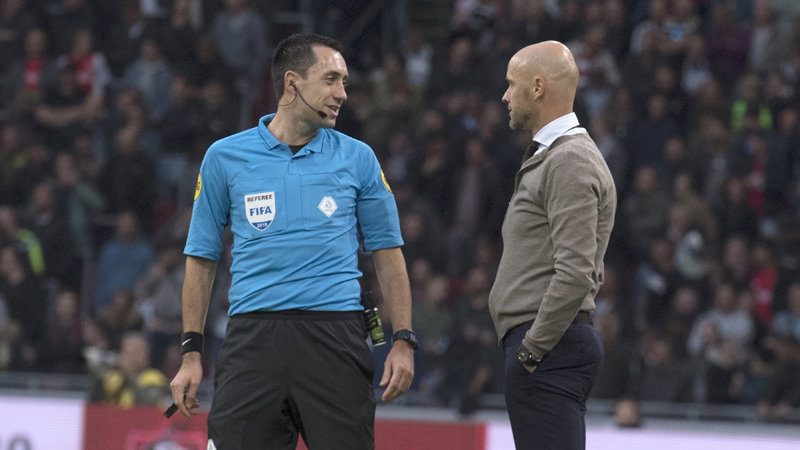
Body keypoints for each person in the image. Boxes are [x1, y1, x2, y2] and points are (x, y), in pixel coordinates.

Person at [169, 33, 415, 449]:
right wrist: (191, 354)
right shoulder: (224, 157)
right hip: (252, 340)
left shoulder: (359, 157)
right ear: (292, 83)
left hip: (334, 339)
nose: (342, 93)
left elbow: (388, 254)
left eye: (344, 82)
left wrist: (404, 341)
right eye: (331, 80)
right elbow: (201, 258)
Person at [488, 41, 617, 450]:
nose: (505, 96)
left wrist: (532, 351)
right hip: (550, 345)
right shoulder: (559, 157)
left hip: (548, 347)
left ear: (538, 87)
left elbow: (575, 271)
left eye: (512, 84)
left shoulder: (568, 160)